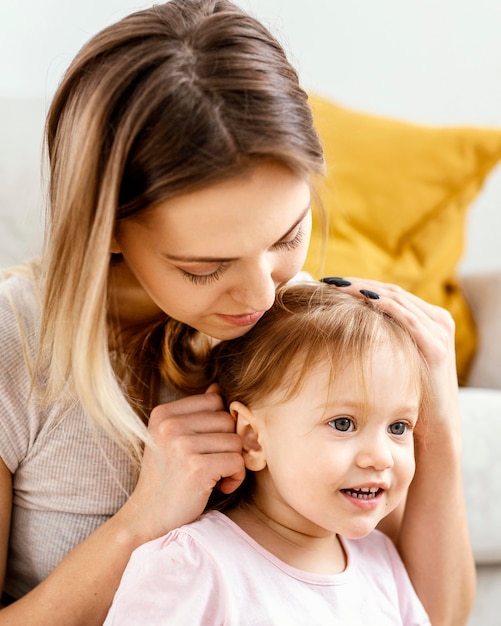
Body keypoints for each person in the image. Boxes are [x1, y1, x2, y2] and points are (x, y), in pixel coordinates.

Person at [0, 1, 474, 625]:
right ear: (106, 229)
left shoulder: (299, 327)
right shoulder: (17, 344)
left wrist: (436, 426)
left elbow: (426, 614)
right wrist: (142, 522)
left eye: (286, 237)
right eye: (205, 268)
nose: (261, 297)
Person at [104, 282, 433, 625]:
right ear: (252, 438)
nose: (381, 458)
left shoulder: (382, 564)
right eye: (343, 423)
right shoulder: (192, 564)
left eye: (398, 427)